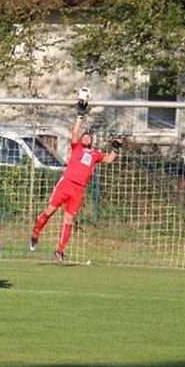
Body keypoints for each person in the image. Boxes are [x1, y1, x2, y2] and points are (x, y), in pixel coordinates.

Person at [30, 103, 121, 263]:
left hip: (78, 190)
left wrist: (116, 148)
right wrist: (80, 116)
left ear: (92, 141)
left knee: (69, 219)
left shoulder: (95, 154)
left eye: (88, 137)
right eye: (84, 136)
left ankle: (60, 251)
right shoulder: (77, 147)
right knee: (49, 211)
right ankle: (36, 233)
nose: (85, 137)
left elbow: (109, 159)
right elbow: (74, 133)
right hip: (66, 184)